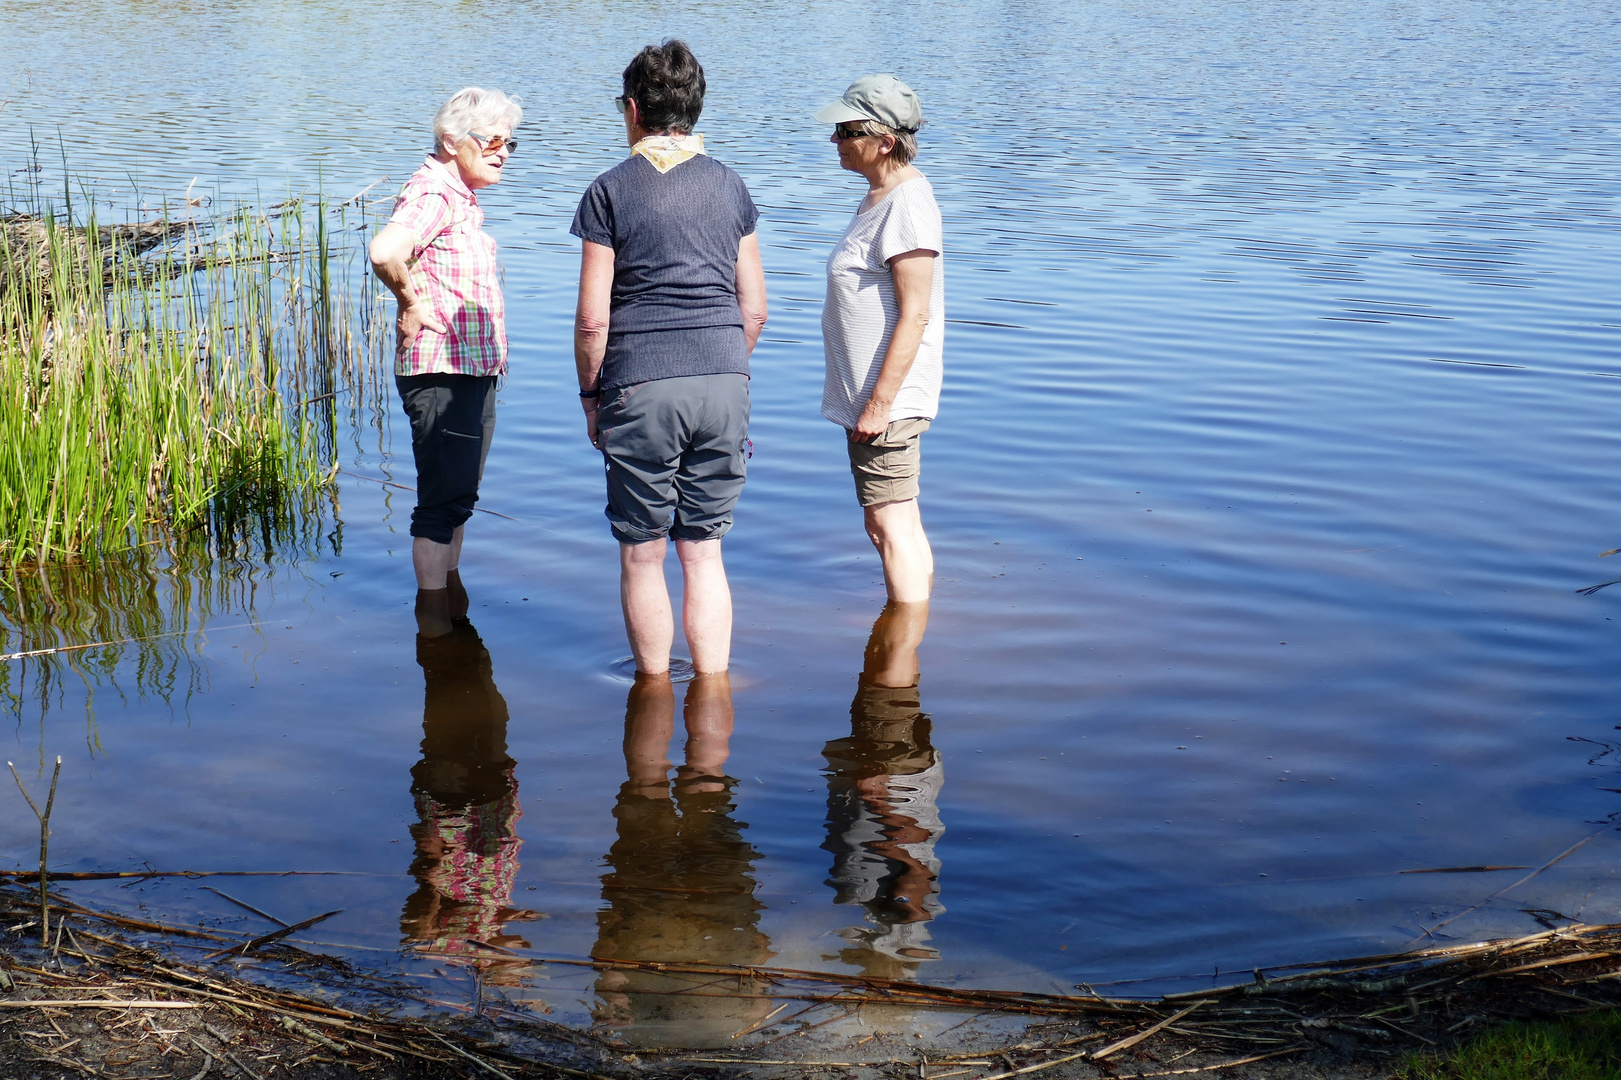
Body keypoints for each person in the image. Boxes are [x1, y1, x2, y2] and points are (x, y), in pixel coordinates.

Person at [572, 40, 768, 677]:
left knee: (642, 554)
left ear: (633, 109)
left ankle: (651, 701)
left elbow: (593, 318)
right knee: (704, 551)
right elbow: (756, 307)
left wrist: (591, 397)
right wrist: (723, 366)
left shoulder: (609, 191)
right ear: (695, 107)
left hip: (639, 384)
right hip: (724, 377)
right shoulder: (731, 186)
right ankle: (713, 703)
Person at [370, 87, 522, 633]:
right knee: (440, 503)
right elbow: (385, 251)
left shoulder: (457, 195)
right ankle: (436, 634)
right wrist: (411, 301)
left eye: (511, 142)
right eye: (494, 140)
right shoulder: (433, 192)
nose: (504, 151)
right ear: (452, 141)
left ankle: (450, 617)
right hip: (441, 372)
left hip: (470, 371)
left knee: (459, 497)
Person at [591, 671, 773, 1046]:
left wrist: (611, 982)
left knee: (647, 775)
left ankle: (655, 686)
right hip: (715, 937)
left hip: (649, 939)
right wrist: (757, 989)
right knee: (707, 776)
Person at [815, 75, 943, 604]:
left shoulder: (907, 203)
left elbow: (916, 315)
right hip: (873, 400)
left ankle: (898, 657)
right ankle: (912, 631)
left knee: (888, 524)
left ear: (884, 141)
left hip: (885, 403)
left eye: (846, 131)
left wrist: (878, 406)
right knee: (897, 520)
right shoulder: (883, 196)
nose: (835, 140)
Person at [822, 601, 945, 977]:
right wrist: (883, 804)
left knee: (888, 676)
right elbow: (917, 870)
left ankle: (904, 609)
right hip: (893, 785)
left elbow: (917, 875)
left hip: (887, 786)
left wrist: (879, 802)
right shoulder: (885, 912)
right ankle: (903, 609)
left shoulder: (868, 903)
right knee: (889, 677)